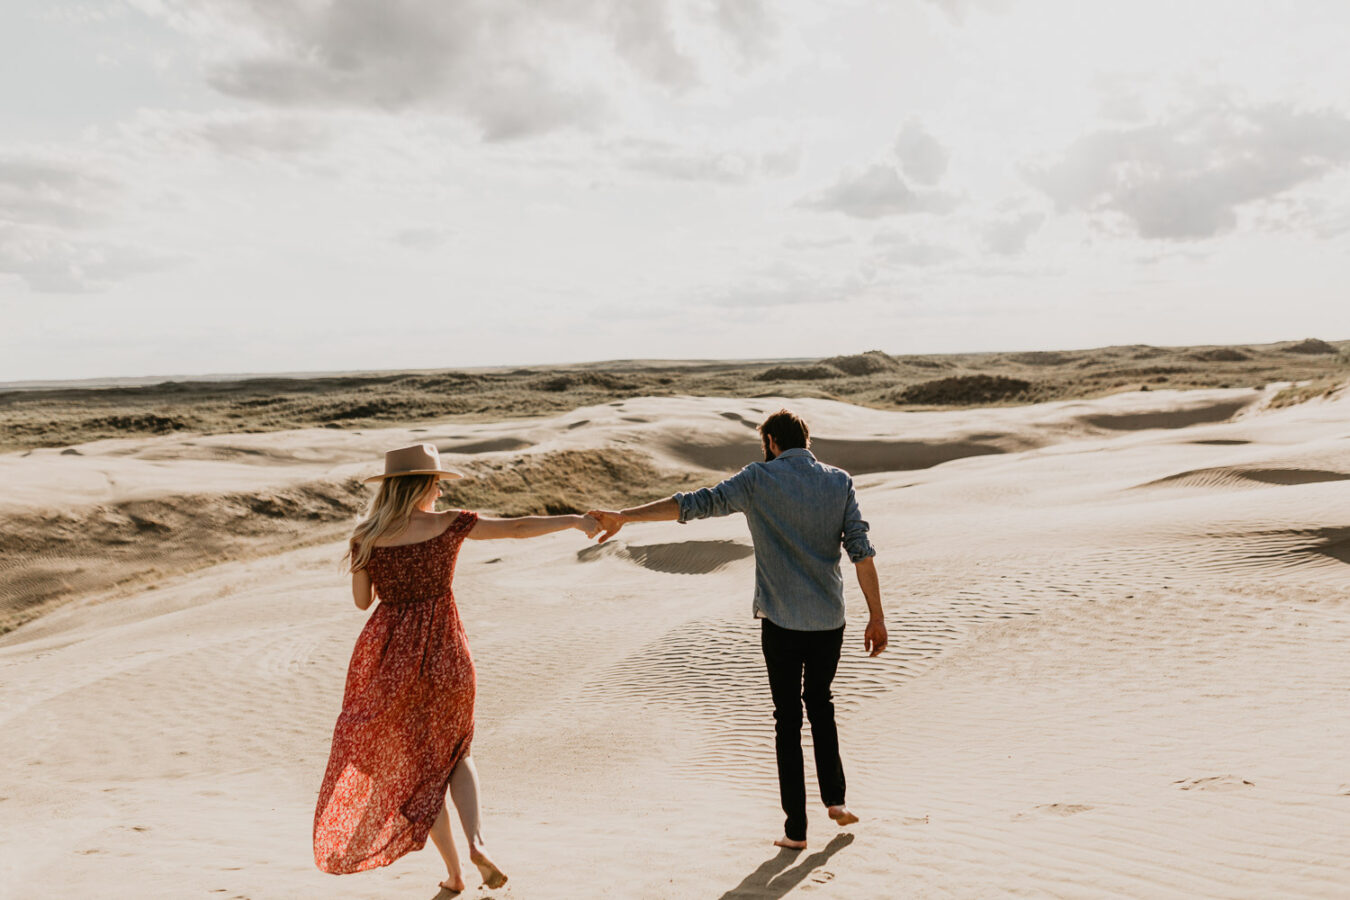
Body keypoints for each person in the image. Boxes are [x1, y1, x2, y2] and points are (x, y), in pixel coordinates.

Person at [587, 409, 887, 850]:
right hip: (829, 621)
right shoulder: (839, 482)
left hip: (782, 622)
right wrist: (877, 616)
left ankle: (796, 831)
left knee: (788, 719)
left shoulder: (757, 480)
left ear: (770, 442)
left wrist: (624, 516)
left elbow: (693, 504)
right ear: (806, 439)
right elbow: (861, 552)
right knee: (820, 705)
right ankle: (836, 801)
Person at [313, 443, 599, 893]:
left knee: (418, 771)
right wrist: (574, 520)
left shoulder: (366, 535)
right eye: (438, 483)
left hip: (391, 664)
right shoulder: (449, 524)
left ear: (390, 488)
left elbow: (362, 601)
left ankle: (453, 875)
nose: (441, 491)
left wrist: (368, 562)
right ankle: (477, 842)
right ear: (427, 484)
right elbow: (518, 528)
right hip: (447, 654)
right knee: (457, 755)